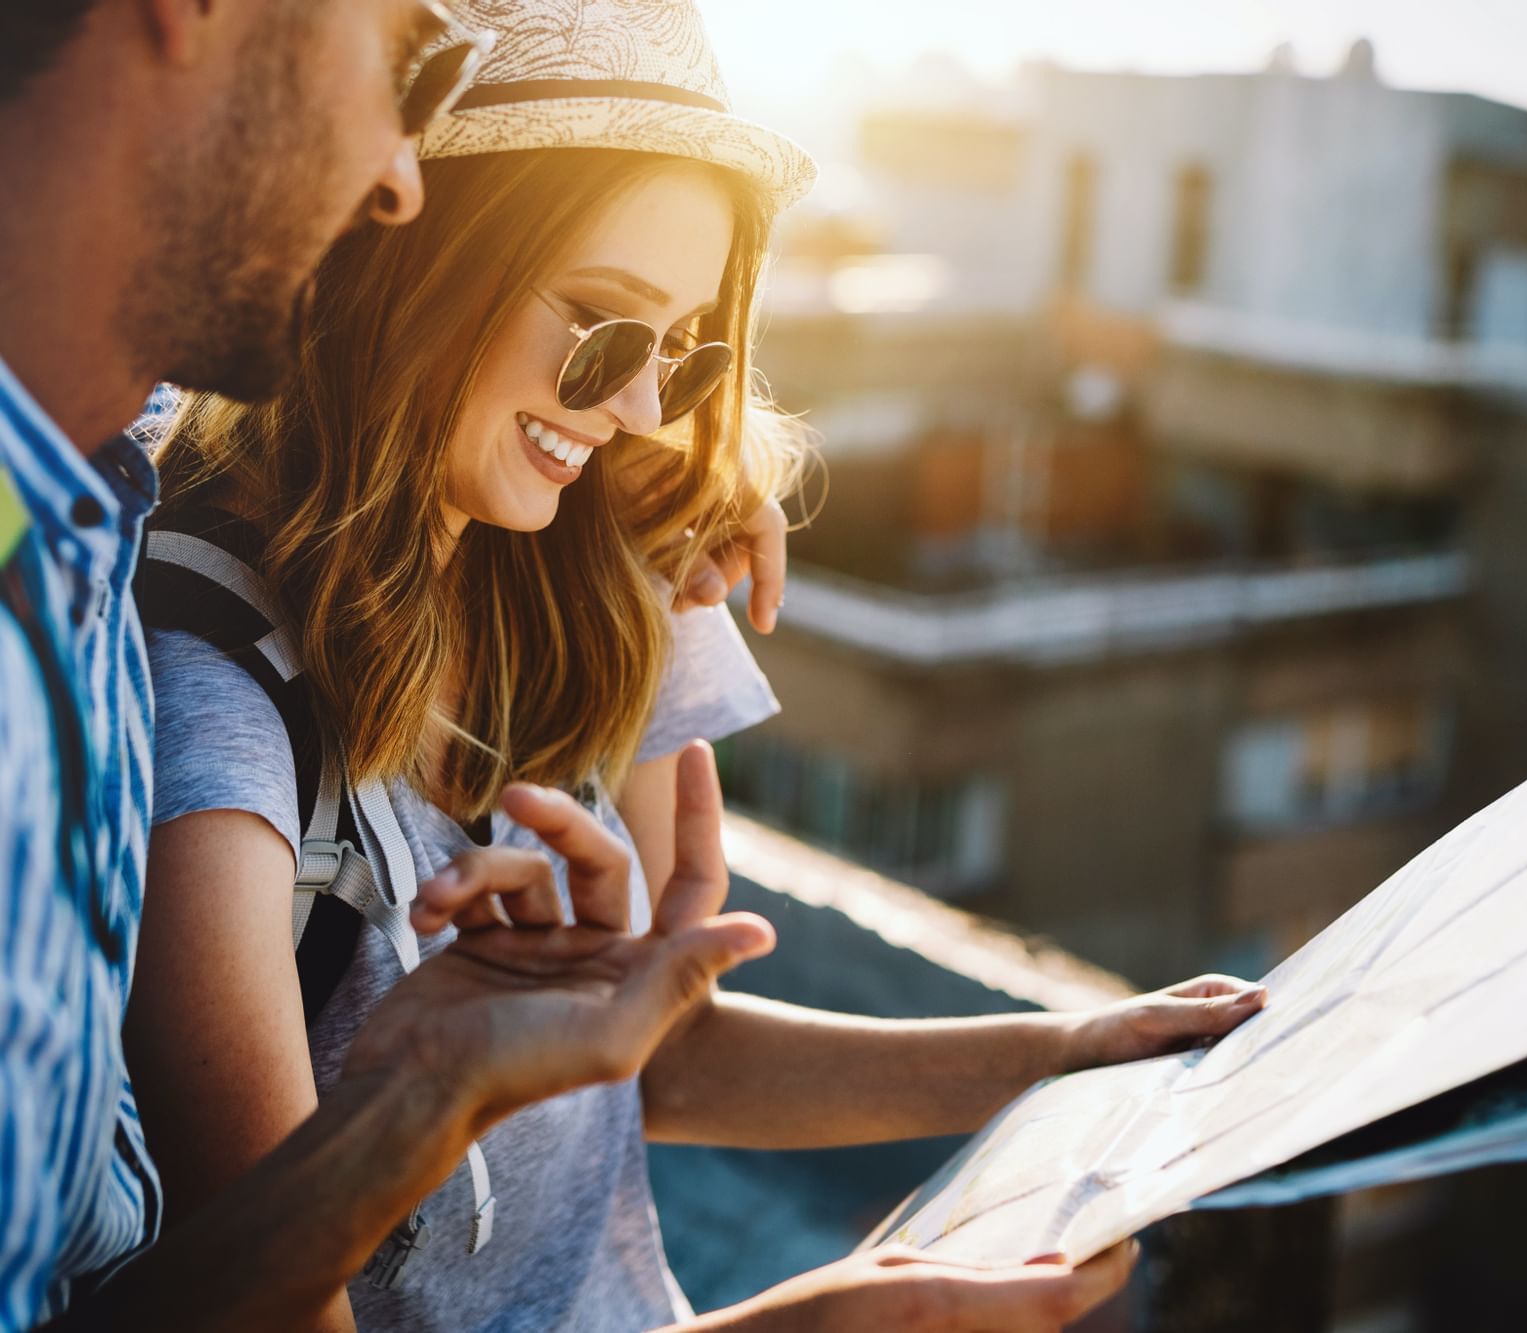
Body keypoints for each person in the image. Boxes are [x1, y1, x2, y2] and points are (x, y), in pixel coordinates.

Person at [126, 3, 1271, 1331]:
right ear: (405, 243)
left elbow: (640, 1060)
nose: (639, 412)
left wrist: (1063, 1052)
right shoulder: (207, 710)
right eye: (602, 328)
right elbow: (256, 1306)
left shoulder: (556, 578)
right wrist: (821, 1325)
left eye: (686, 352)